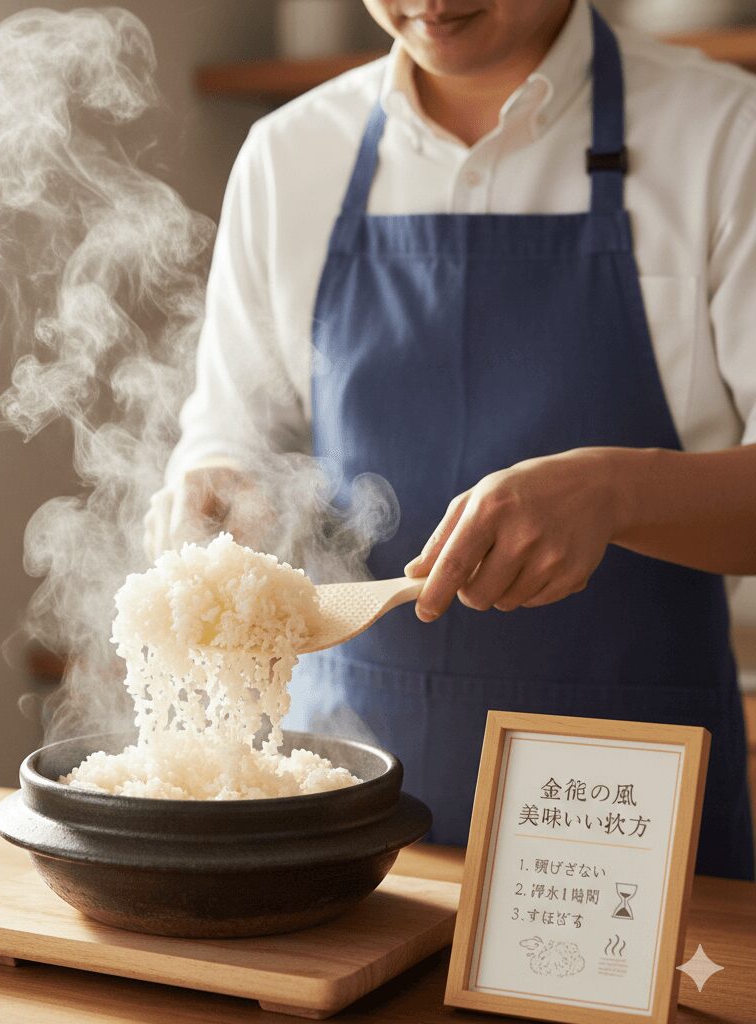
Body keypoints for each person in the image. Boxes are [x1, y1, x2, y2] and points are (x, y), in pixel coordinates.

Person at [146, 0, 756, 879]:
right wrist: (221, 492)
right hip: (341, 797)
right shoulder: (291, 157)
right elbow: (233, 434)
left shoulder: (725, 138)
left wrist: (620, 493)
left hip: (624, 829)